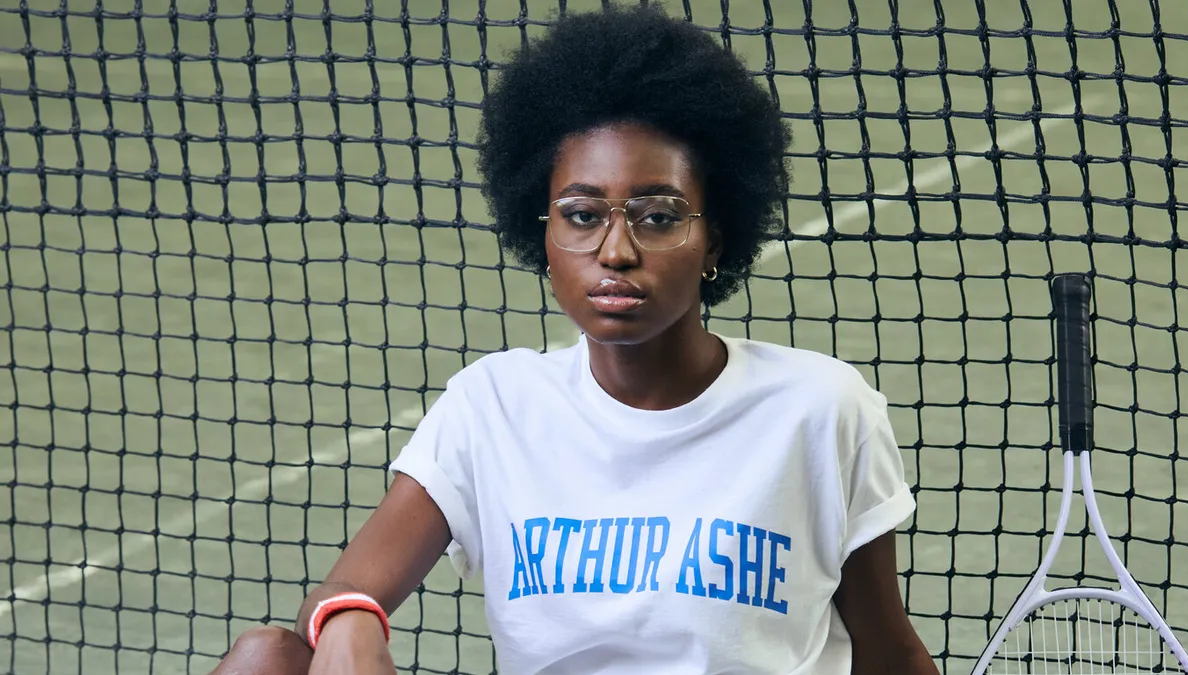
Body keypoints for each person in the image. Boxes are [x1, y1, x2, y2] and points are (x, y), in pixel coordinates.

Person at [209, 4, 940, 674]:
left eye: (658, 216)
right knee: (264, 659)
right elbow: (342, 590)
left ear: (714, 240)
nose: (616, 250)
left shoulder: (819, 409)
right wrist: (350, 618)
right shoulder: (493, 406)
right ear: (546, 233)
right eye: (583, 215)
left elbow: (886, 647)